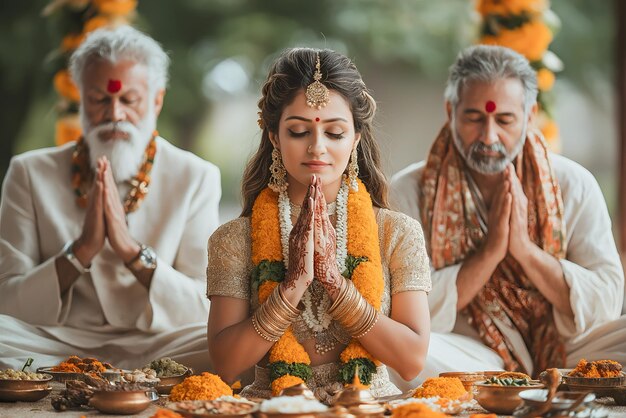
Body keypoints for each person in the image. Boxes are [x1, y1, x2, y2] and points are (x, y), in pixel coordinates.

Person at [390, 45, 626, 387]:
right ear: (450, 111)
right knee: (400, 356)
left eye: (504, 120)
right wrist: (490, 253)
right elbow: (409, 309)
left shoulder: (573, 184)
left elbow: (607, 299)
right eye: (474, 117)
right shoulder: (410, 190)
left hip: (569, 349)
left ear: (530, 116)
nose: (489, 136)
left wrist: (526, 251)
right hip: (471, 352)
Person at [207, 48, 431, 400]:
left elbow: (412, 360)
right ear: (274, 138)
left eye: (335, 133)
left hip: (368, 407)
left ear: (355, 138)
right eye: (298, 131)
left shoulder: (396, 232)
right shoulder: (236, 238)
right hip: (272, 407)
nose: (317, 147)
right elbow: (225, 364)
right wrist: (292, 286)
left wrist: (337, 286)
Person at [0, 26, 221, 371]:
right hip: (55, 339)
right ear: (80, 99)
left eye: (128, 100)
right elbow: (7, 300)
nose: (115, 114)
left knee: (230, 344)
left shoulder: (194, 177)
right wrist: (81, 251)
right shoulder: (29, 173)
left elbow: (204, 306)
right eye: (100, 99)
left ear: (156, 100)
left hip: (159, 343)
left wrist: (132, 252)